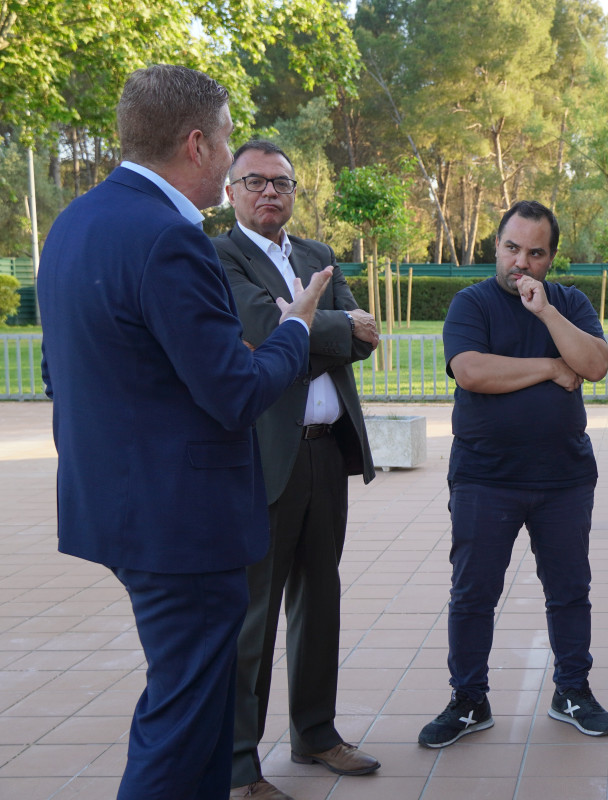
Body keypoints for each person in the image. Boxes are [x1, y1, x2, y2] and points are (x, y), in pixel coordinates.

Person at [37, 64, 332, 800]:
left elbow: (62, 369)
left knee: (191, 710)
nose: (230, 156)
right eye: (227, 139)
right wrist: (295, 330)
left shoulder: (74, 223)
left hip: (115, 506)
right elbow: (236, 394)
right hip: (181, 525)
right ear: (197, 144)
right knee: (183, 722)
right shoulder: (169, 238)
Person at [212, 140, 382, 799]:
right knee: (253, 616)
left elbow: (361, 342)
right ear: (231, 191)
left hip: (324, 451)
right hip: (262, 458)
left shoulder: (316, 255)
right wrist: (324, 325)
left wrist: (305, 325)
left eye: (281, 182)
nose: (269, 192)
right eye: (254, 181)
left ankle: (315, 732)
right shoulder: (220, 256)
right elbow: (260, 326)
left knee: (320, 600)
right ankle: (239, 764)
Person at [419, 200, 608, 748]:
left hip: (564, 478)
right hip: (485, 477)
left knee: (570, 591)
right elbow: (471, 371)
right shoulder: (472, 303)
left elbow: (595, 365)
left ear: (551, 258)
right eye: (511, 248)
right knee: (473, 594)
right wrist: (552, 366)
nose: (521, 263)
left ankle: (572, 691)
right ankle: (469, 700)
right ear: (496, 246)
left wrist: (547, 314)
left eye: (535, 253)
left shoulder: (570, 303)